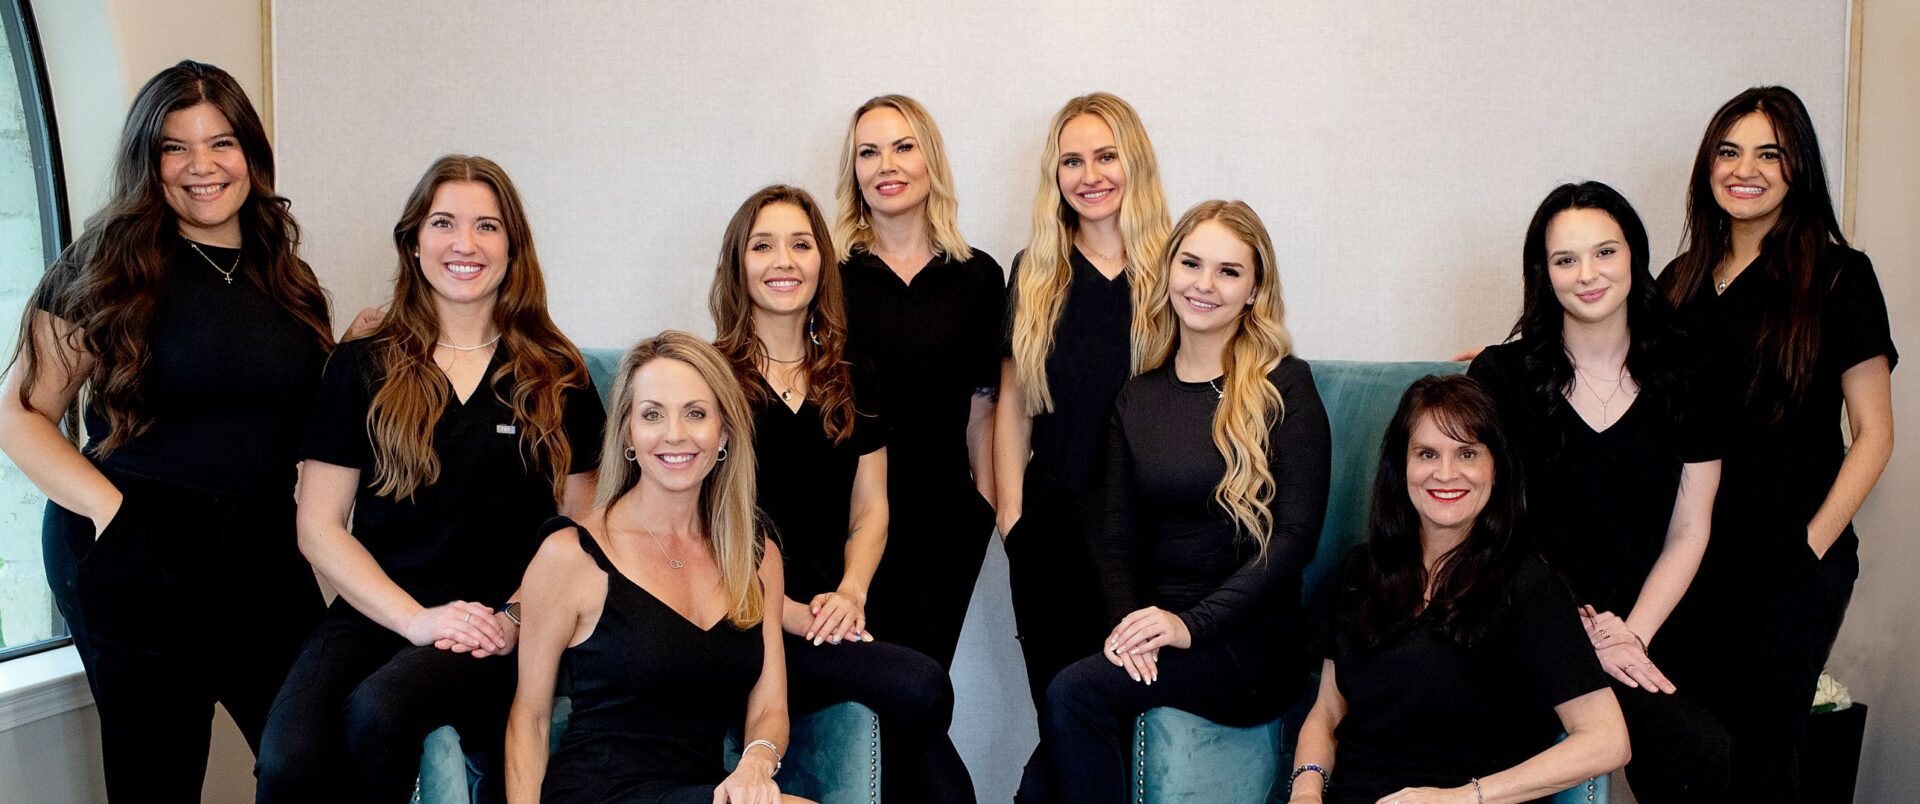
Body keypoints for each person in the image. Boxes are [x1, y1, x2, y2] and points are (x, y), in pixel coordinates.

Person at [0, 60, 333, 801]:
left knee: (313, 758)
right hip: (134, 546)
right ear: (149, 163)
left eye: (221, 142)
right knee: (158, 778)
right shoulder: (107, 265)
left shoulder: (283, 271)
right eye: (175, 148)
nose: (201, 167)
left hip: (262, 553)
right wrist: (117, 517)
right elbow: (18, 413)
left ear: (250, 151)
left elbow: (276, 406)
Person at [254, 155, 604, 802]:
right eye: (444, 223)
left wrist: (518, 617)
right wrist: (416, 620)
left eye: (486, 227)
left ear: (513, 247)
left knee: (380, 711)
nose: (464, 244)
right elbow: (319, 526)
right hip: (381, 609)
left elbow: (579, 532)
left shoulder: (560, 376)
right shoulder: (361, 365)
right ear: (414, 242)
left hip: (501, 624)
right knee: (287, 759)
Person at [1021, 200, 1330, 802]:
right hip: (1164, 628)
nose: (1204, 285)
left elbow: (1296, 539)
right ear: (1168, 271)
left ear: (1255, 289)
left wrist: (1191, 626)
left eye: (1229, 271)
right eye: (1191, 263)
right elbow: (1115, 539)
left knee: (1072, 694)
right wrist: (1128, 627)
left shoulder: (1286, 385)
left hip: (1250, 641)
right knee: (1040, 782)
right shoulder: (1138, 397)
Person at [1656, 85, 1896, 799]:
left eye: (1769, 152)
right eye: (1729, 151)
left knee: (1763, 758)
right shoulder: (1679, 282)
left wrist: (1810, 548)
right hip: (1690, 559)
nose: (1744, 168)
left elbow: (1875, 434)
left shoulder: (1838, 276)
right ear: (1708, 165)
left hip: (1787, 563)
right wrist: (1501, 356)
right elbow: (1611, 370)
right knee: (1692, 758)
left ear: (1798, 168)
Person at [709, 184, 975, 801]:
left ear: (821, 264)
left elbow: (870, 508)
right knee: (924, 688)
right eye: (763, 246)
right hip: (745, 625)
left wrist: (851, 592)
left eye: (801, 245)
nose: (783, 262)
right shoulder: (711, 377)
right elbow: (696, 536)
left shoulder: (852, 372)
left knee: (928, 751)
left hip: (835, 618)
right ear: (737, 264)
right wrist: (801, 617)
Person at [1468, 181, 1729, 801]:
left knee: (1705, 752)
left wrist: (1628, 635)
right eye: (1566, 259)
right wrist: (1575, 629)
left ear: (1634, 256)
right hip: (1530, 614)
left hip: (1651, 617)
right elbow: (1486, 525)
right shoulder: (1501, 377)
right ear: (1544, 273)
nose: (1588, 274)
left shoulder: (1689, 373)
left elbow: (1691, 528)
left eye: (1605, 252)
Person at [1290, 375, 1631, 803]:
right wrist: (1306, 788)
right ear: (1403, 466)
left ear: (1496, 467)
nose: (1446, 473)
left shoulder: (1528, 587)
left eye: (1467, 453)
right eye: (1427, 453)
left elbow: (1607, 739)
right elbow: (1327, 710)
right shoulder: (1359, 571)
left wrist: (1457, 798)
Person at [506, 332, 810, 804]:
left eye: (695, 413)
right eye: (652, 415)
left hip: (705, 792)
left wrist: (756, 763)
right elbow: (529, 721)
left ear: (724, 432)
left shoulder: (756, 555)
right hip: (598, 792)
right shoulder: (570, 555)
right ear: (627, 432)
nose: (675, 434)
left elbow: (770, 705)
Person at [996, 91, 1173, 712]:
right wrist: (1012, 519)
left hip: (1150, 534)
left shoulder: (1177, 272)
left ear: (1136, 163)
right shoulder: (1037, 271)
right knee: (1060, 711)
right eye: (1072, 161)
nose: (1090, 176)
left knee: (1132, 716)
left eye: (1106, 156)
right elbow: (1013, 405)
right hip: (1052, 531)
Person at [834, 94, 1005, 670]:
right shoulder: (830, 282)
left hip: (947, 519)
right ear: (853, 173)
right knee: (866, 688)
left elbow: (985, 407)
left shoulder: (979, 277)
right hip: (850, 520)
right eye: (869, 152)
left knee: (924, 682)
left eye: (903, 147)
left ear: (930, 161)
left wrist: (983, 505)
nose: (887, 165)